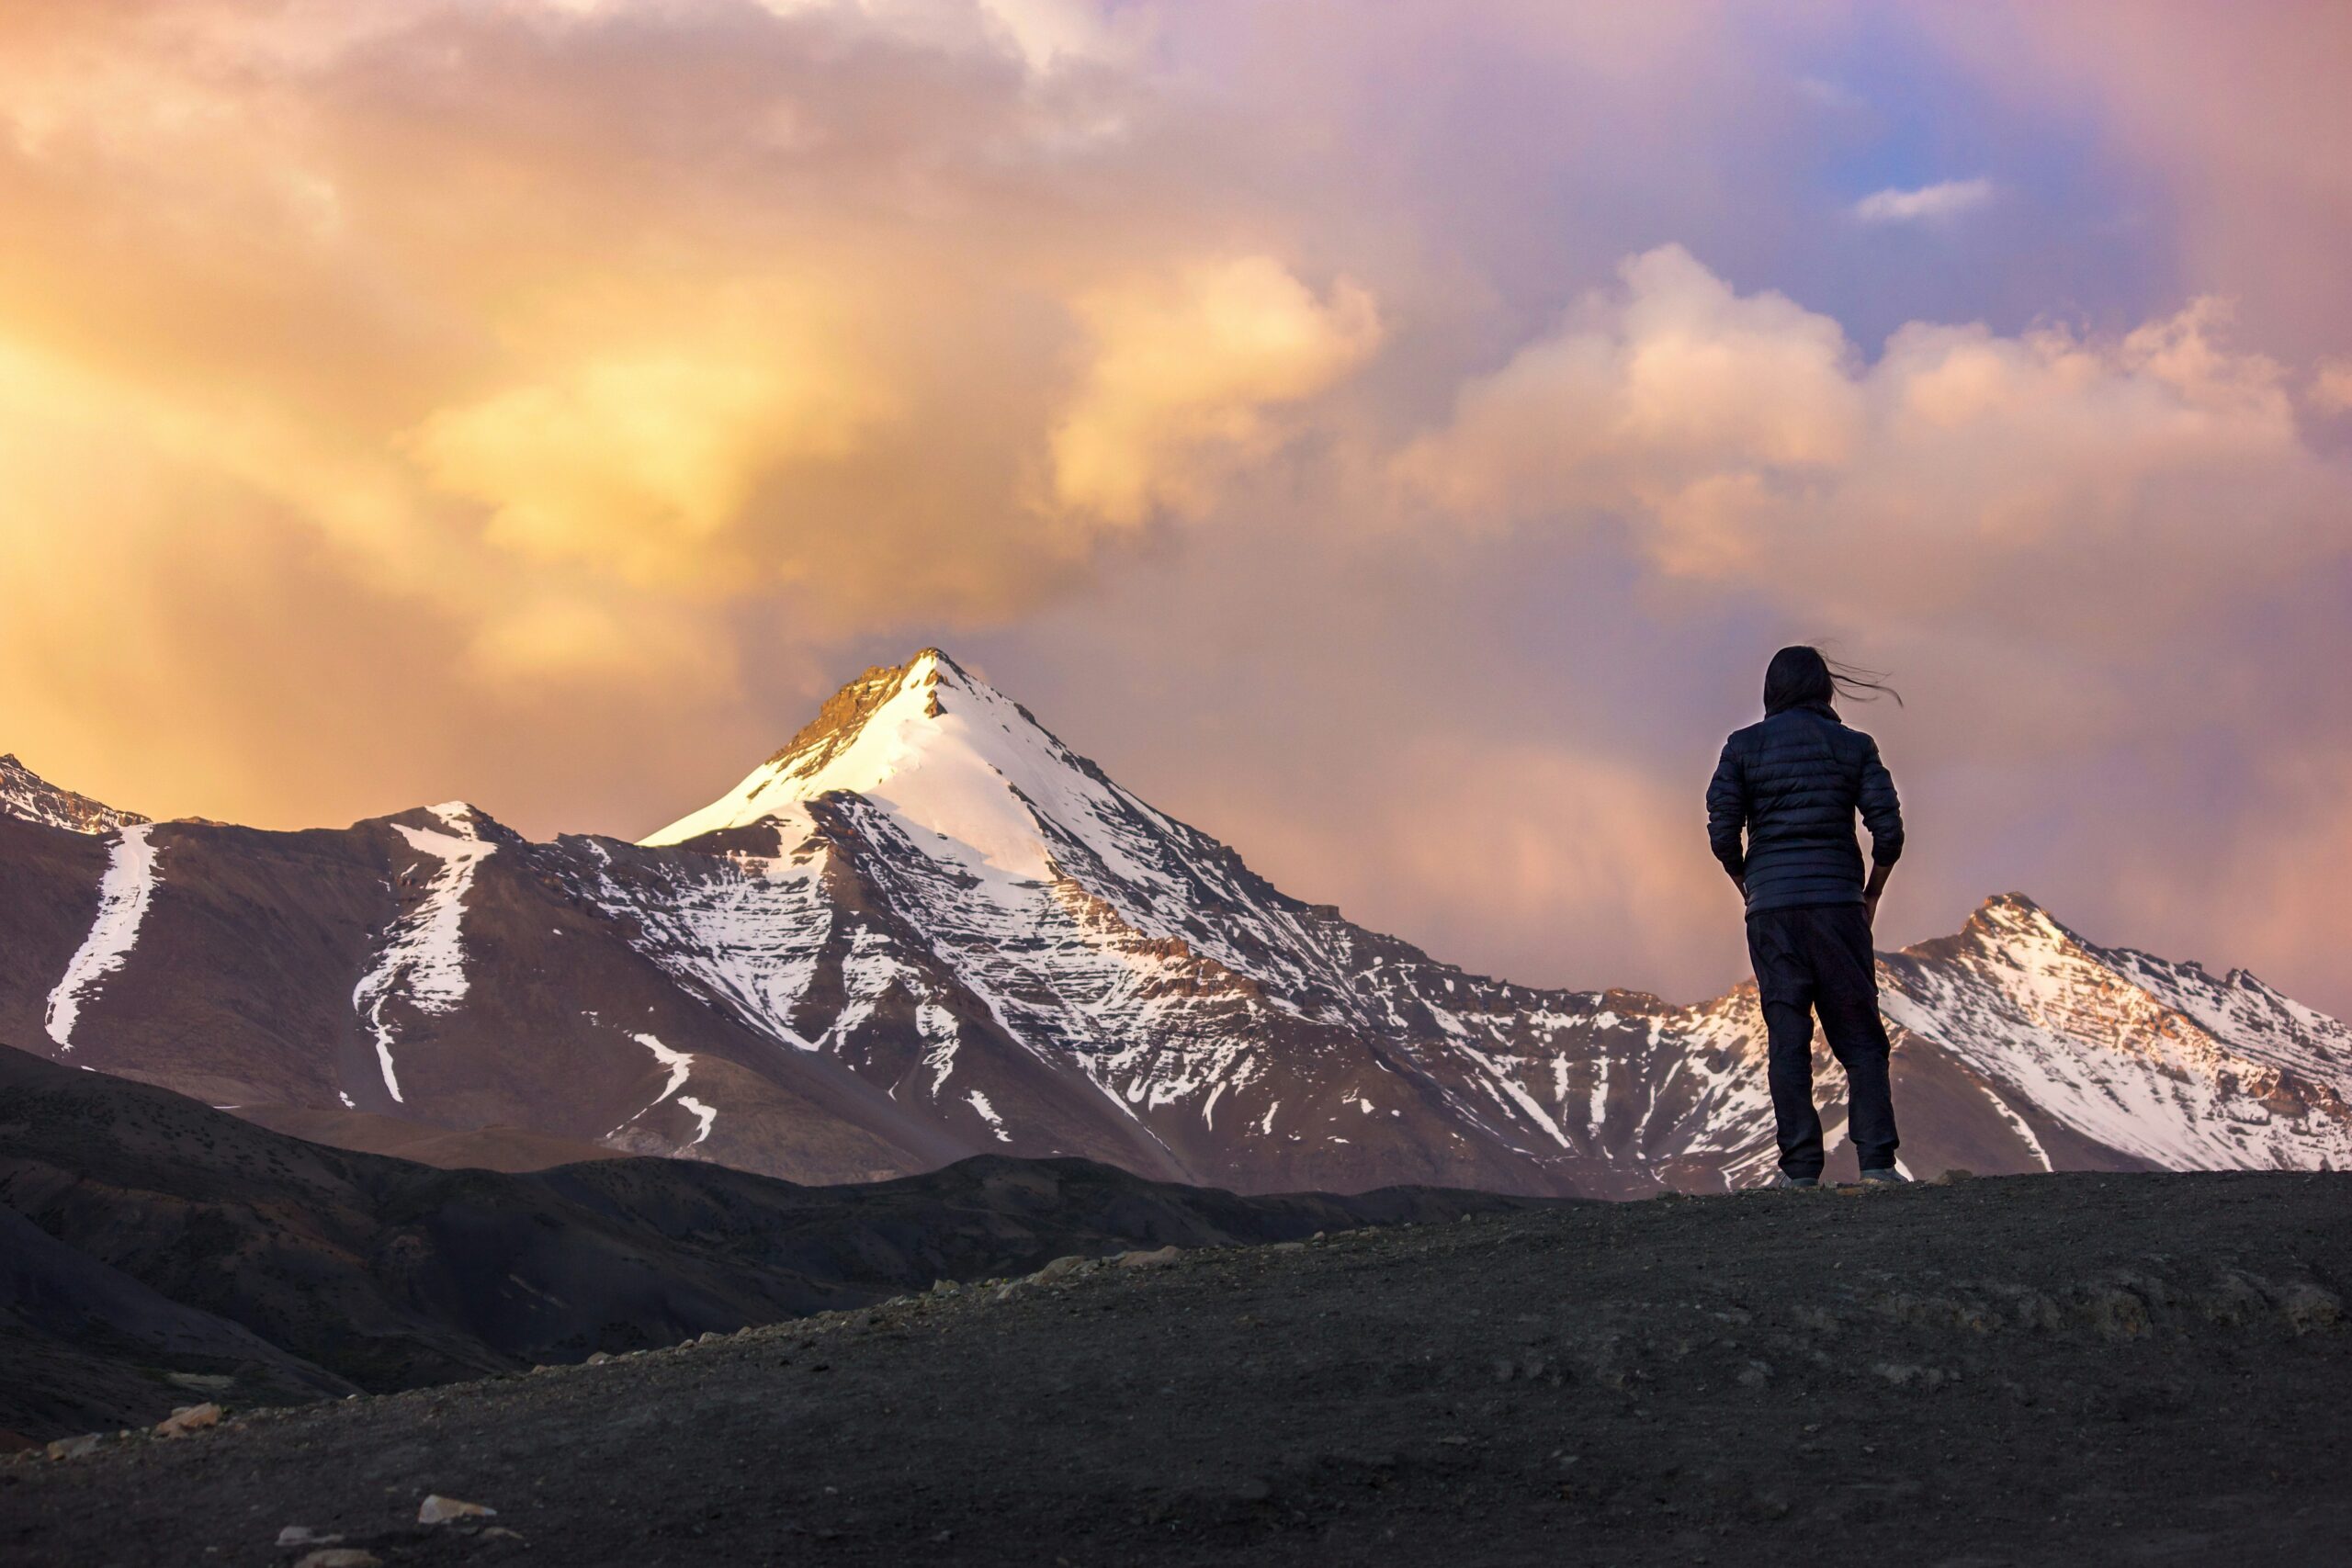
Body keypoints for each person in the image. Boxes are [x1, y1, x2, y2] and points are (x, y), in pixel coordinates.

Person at [1705, 646, 1906, 1189]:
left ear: (1771, 690)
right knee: (1861, 1039)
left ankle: (1799, 1173)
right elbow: (1888, 832)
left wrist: (1749, 882)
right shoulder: (1854, 747)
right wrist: (1871, 895)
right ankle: (1877, 1167)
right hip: (1839, 908)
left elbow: (1723, 831)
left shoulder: (1740, 749)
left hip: (1772, 912)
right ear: (1824, 689)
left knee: (1787, 1036)